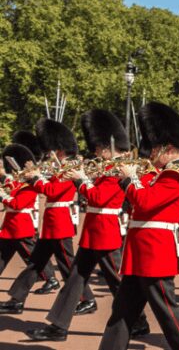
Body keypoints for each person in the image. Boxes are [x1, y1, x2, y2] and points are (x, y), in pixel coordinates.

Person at [25, 110, 149, 342]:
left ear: (108, 144)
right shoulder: (106, 165)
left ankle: (139, 321)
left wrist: (81, 180)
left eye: (99, 146)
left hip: (106, 232)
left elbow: (99, 198)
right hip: (92, 231)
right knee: (74, 280)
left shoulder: (122, 167)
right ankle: (58, 327)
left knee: (118, 282)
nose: (95, 152)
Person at [98, 101, 179, 350]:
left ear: (170, 148)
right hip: (139, 254)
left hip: (155, 254)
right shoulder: (159, 174)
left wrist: (130, 178)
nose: (151, 152)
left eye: (156, 147)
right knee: (121, 313)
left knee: (168, 314)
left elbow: (145, 202)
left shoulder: (176, 175)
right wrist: (126, 177)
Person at [0, 118, 91, 314]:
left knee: (67, 265)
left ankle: (86, 299)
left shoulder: (71, 168)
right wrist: (30, 176)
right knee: (34, 264)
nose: (50, 153)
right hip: (51, 222)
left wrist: (36, 178)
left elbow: (52, 191)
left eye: (52, 149)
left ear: (59, 148)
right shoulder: (59, 168)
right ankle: (17, 299)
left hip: (60, 223)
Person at [0, 144, 53, 283]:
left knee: (33, 257)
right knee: (1, 255)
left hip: (20, 227)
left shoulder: (30, 187)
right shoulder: (19, 182)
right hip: (10, 227)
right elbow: (9, 183)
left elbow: (17, 204)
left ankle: (50, 278)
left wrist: (2, 196)